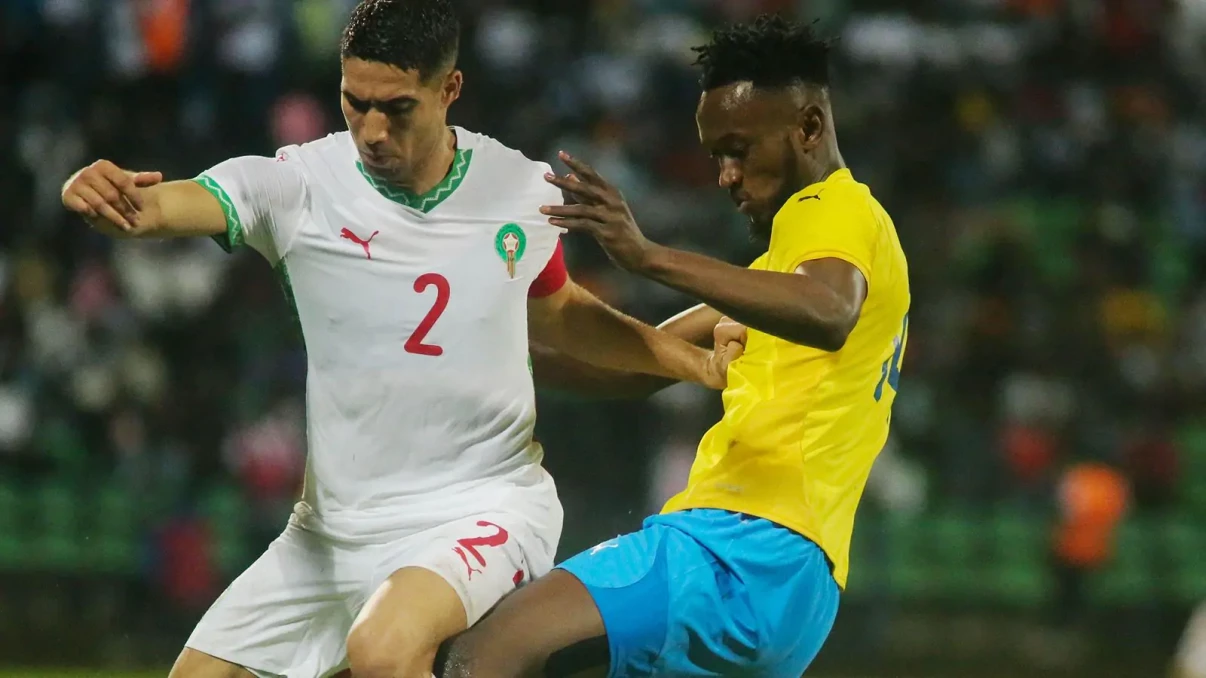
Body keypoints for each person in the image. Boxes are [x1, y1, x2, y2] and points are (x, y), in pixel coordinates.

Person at [59, 2, 741, 677]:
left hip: (484, 505)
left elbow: (558, 313)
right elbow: (157, 206)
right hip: (330, 533)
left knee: (383, 649)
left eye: (397, 108)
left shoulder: (520, 189)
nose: (372, 130)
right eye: (355, 103)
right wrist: (105, 195)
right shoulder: (296, 187)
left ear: (449, 89)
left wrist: (689, 360)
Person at [439, 15, 911, 678]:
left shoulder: (835, 210)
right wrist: (460, 356)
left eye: (738, 149)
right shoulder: (778, 275)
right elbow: (638, 364)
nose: (725, 176)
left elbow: (829, 311)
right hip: (796, 587)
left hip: (740, 549)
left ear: (808, 128)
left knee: (484, 655)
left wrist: (647, 257)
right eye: (717, 155)